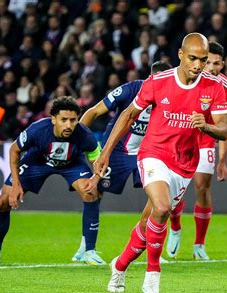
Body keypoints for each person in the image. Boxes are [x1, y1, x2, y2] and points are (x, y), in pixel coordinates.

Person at [96, 33, 227, 293]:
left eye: (203, 60)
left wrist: (207, 126)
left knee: (150, 222)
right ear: (180, 55)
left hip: (185, 163)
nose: (198, 65)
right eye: (193, 58)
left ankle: (120, 265)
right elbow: (128, 114)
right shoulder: (158, 81)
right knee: (163, 206)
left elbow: (225, 130)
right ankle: (153, 272)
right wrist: (106, 152)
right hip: (154, 153)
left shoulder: (213, 87)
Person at [0, 96, 104, 265]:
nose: (69, 125)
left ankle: (89, 251)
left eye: (73, 120)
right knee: (2, 202)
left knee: (90, 191)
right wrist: (16, 184)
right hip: (37, 162)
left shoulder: (84, 134)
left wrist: (96, 178)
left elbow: (97, 159)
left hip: (72, 163)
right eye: (64, 120)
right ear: (53, 119)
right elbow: (14, 150)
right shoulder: (38, 130)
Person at [70, 61, 172, 262]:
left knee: (158, 198)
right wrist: (76, 142)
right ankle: (85, 246)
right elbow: (94, 111)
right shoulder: (131, 89)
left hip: (149, 151)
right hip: (117, 150)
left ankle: (151, 246)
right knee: (94, 191)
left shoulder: (173, 97)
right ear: (150, 78)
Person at [165, 41, 227, 260]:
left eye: (216, 64)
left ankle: (199, 244)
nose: (211, 68)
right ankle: (175, 227)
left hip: (206, 139)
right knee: (174, 190)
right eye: (208, 62)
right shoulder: (185, 78)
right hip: (181, 137)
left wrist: (222, 159)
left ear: (222, 65)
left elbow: (226, 126)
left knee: (202, 187)